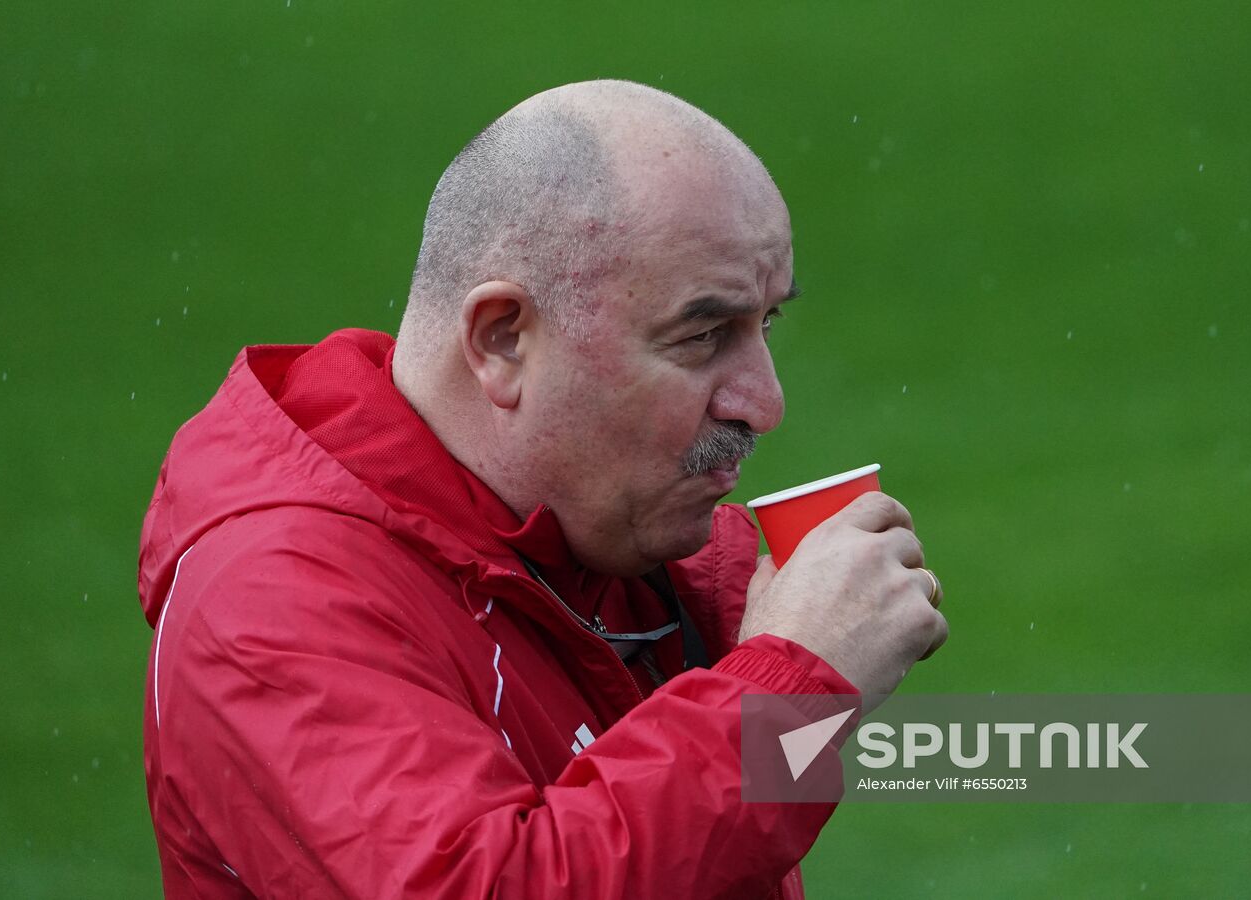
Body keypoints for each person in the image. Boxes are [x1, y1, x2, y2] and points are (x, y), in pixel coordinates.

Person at [138, 79, 947, 899]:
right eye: (703, 336)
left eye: (765, 324)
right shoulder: (273, 601)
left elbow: (1023, 753)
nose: (765, 404)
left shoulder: (621, 550)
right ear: (502, 339)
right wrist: (794, 685)